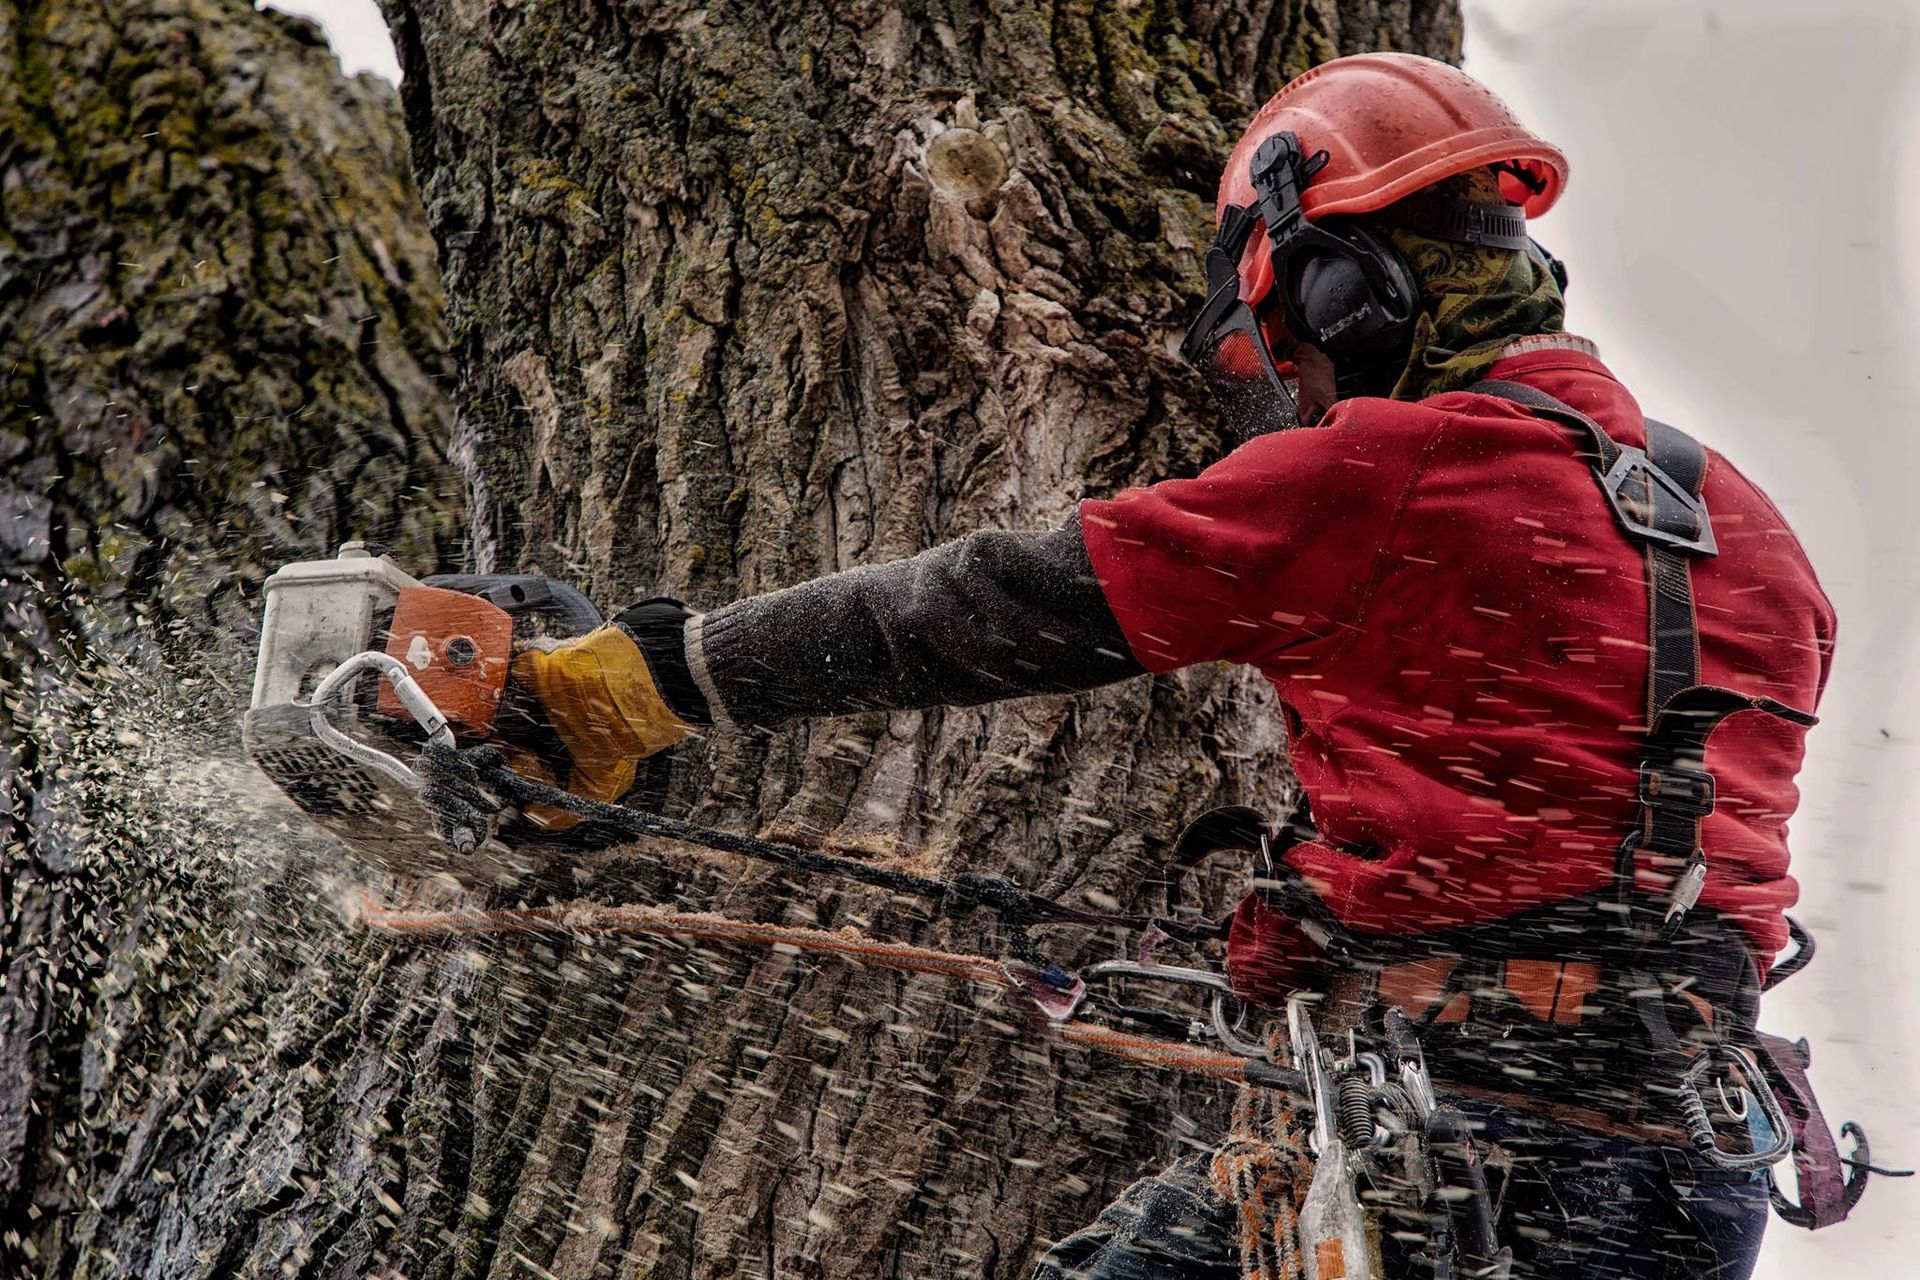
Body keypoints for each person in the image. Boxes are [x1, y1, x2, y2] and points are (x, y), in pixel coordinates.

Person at [503, 53, 1833, 1279]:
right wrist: (1335, 917)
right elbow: (1584, 821)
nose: (1302, 391)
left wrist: (640, 683)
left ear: (1345, 293)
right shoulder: (1755, 532)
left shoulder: (1380, 479)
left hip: (1474, 1147)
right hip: (1692, 1165)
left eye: (1293, 345)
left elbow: (984, 607)